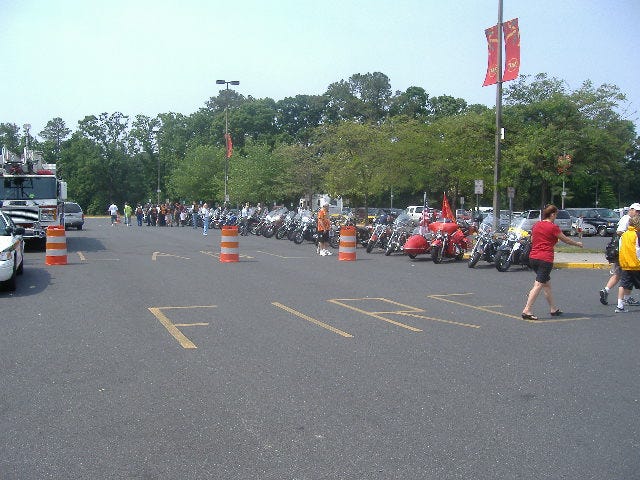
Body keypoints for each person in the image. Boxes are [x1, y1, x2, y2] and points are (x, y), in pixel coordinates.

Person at [522, 204, 583, 320]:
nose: (556, 217)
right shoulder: (553, 227)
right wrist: (577, 244)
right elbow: (565, 239)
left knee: (546, 284)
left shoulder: (536, 225)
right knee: (539, 284)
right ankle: (527, 310)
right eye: (556, 214)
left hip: (533, 257)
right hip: (545, 259)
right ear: (552, 214)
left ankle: (553, 309)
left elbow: (532, 240)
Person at [599, 203, 640, 305]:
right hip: (624, 252)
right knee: (627, 274)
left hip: (622, 251)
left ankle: (606, 290)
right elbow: (619, 232)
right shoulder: (627, 219)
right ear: (630, 210)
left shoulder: (628, 219)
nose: (638, 213)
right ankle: (625, 298)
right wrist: (631, 236)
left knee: (619, 274)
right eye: (636, 211)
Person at [614, 215, 640, 312]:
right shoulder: (637, 234)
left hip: (625, 264)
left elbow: (621, 248)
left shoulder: (624, 234)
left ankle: (620, 306)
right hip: (636, 264)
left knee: (623, 285)